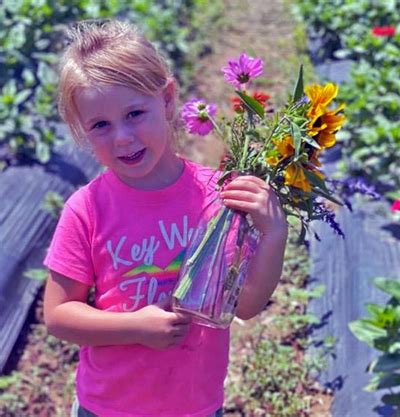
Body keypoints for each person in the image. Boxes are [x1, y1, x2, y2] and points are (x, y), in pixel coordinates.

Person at [43, 19, 288, 417]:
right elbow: (58, 316)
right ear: (83, 131)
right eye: (101, 125)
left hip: (192, 404)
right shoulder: (86, 209)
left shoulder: (218, 197)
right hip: (108, 406)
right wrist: (135, 326)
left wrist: (274, 234)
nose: (122, 137)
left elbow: (244, 305)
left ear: (168, 99)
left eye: (135, 113)